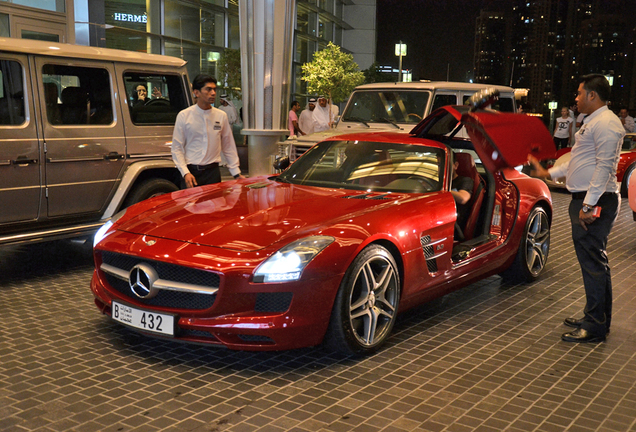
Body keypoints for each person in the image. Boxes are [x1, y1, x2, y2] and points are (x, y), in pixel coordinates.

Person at [528, 74, 624, 343]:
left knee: (593, 264)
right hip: (589, 199)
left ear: (593, 95)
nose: (576, 98)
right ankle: (597, 318)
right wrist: (549, 172)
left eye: (580, 93)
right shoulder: (592, 122)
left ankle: (594, 325)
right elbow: (578, 161)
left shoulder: (606, 123)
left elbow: (604, 167)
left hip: (596, 200)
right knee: (596, 263)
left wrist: (588, 204)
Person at [171, 74, 244, 189]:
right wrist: (185, 172)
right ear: (196, 92)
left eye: (214, 89)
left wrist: (236, 172)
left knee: (214, 206)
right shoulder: (184, 115)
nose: (213, 93)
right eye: (208, 89)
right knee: (189, 206)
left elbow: (228, 145)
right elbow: (176, 148)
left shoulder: (221, 116)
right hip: (191, 173)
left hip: (213, 173)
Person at [450, 152, 473, 229]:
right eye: (438, 165)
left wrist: (441, 190)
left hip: (455, 224)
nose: (441, 168)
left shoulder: (465, 180)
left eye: (445, 165)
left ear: (455, 165)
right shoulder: (436, 182)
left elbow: (463, 198)